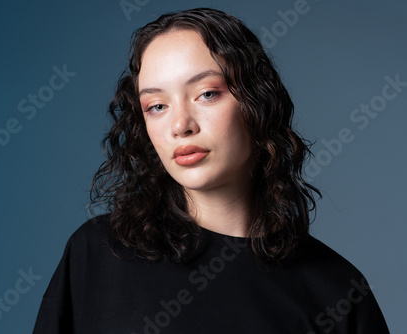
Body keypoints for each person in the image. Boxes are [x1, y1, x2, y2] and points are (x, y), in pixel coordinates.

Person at [32, 7, 389, 333]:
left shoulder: (339, 292)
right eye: (156, 105)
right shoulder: (97, 254)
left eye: (206, 94)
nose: (180, 125)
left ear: (256, 102)